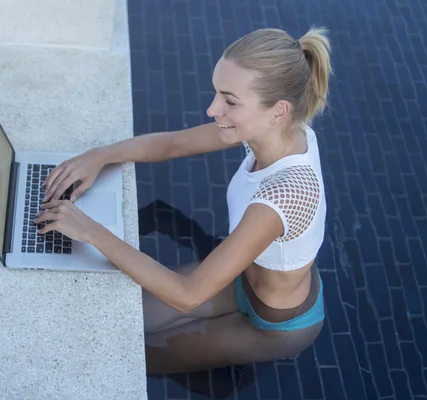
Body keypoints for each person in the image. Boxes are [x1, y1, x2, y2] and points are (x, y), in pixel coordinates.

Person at [36, 26, 332, 376]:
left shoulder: (284, 195)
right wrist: (100, 156)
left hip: (274, 324)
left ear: (278, 111)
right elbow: (173, 145)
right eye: (216, 93)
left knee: (136, 357)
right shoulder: (272, 132)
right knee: (118, 319)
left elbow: (188, 294)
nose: (212, 109)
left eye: (229, 101)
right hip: (236, 278)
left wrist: (90, 231)